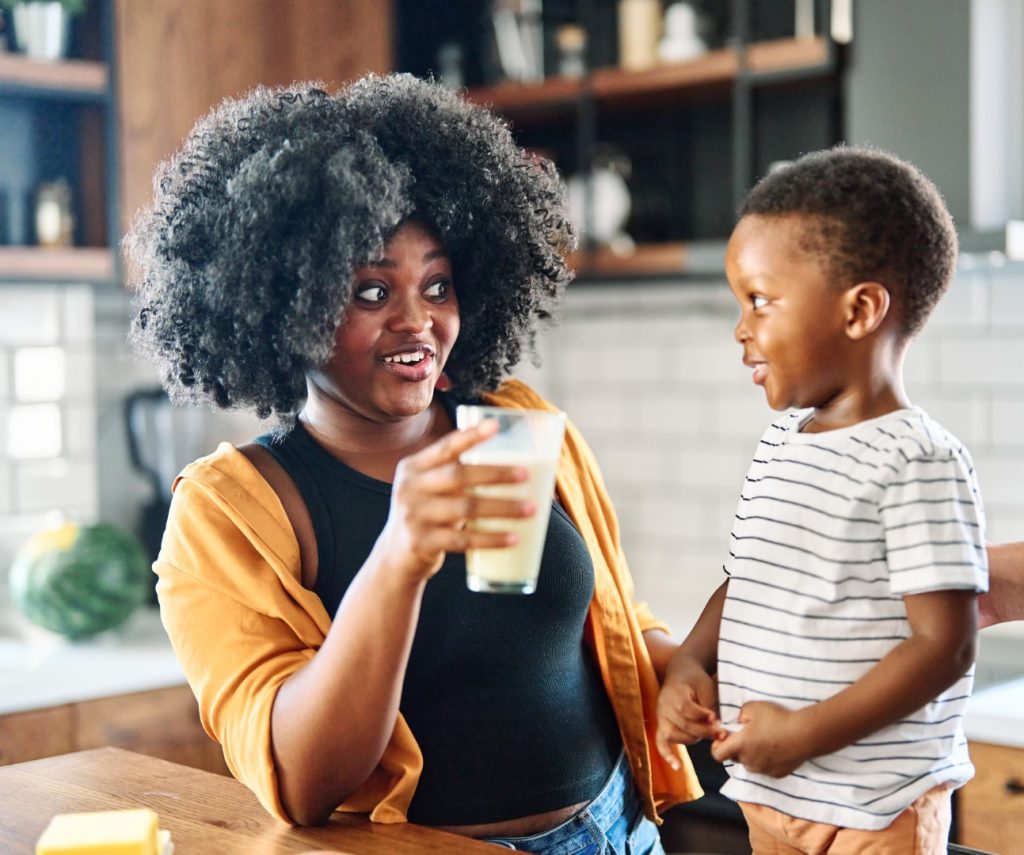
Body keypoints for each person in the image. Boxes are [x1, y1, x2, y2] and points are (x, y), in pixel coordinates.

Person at [124, 73, 700, 852]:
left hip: (619, 831)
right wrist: (399, 557)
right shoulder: (234, 510)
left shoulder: (513, 423)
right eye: (369, 290)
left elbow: (605, 637)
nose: (417, 321)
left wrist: (708, 654)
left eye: (438, 284)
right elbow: (301, 780)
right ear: (284, 304)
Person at [655, 146, 988, 854]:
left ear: (861, 309)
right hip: (772, 796)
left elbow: (945, 644)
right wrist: (690, 660)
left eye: (760, 300)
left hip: (878, 807)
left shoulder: (919, 460)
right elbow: (748, 578)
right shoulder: (783, 441)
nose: (741, 328)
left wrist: (806, 732)